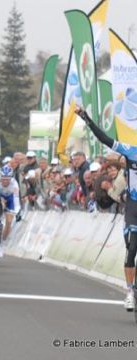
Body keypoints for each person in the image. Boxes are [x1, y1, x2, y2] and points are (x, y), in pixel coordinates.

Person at [75, 106, 137, 311]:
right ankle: (130, 291)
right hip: (133, 206)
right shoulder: (130, 151)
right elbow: (104, 138)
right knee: (131, 251)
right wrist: (86, 118)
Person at [0, 165, 21, 258]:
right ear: (0, 177)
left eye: (7, 179)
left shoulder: (15, 184)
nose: (5, 181)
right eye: (3, 179)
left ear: (11, 178)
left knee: (9, 222)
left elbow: (16, 201)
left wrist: (17, 212)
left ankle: (1, 245)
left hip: (10, 200)